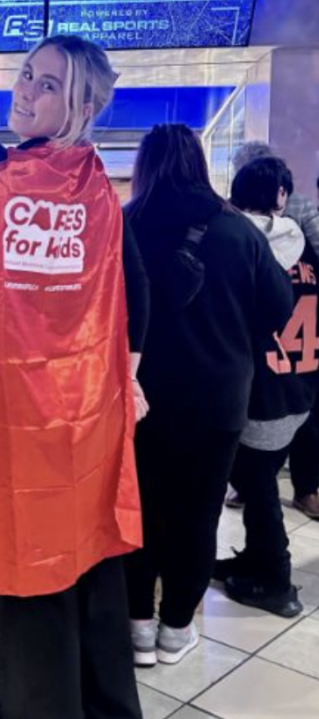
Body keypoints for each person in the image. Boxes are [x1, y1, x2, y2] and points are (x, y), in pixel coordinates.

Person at [0, 35, 147, 719]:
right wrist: (123, 377)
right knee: (90, 571)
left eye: (48, 84)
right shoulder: (101, 196)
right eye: (27, 75)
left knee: (27, 573)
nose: (26, 90)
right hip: (85, 423)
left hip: (15, 422)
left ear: (83, 103)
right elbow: (136, 295)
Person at [124, 125, 294, 666]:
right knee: (197, 516)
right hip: (217, 400)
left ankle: (137, 630)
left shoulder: (123, 225)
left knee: (140, 512)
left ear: (146, 165)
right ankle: (176, 630)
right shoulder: (237, 231)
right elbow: (277, 308)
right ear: (199, 162)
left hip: (137, 399)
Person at [214, 156, 314, 617]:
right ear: (279, 196)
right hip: (301, 389)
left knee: (256, 486)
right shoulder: (306, 247)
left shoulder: (239, 246)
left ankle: (276, 581)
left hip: (260, 392)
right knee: (258, 483)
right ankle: (257, 560)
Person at [229, 142, 319, 519]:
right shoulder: (305, 240)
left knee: (255, 473)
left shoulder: (238, 242)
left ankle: (268, 567)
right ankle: (305, 490)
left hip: (262, 377)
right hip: (303, 369)